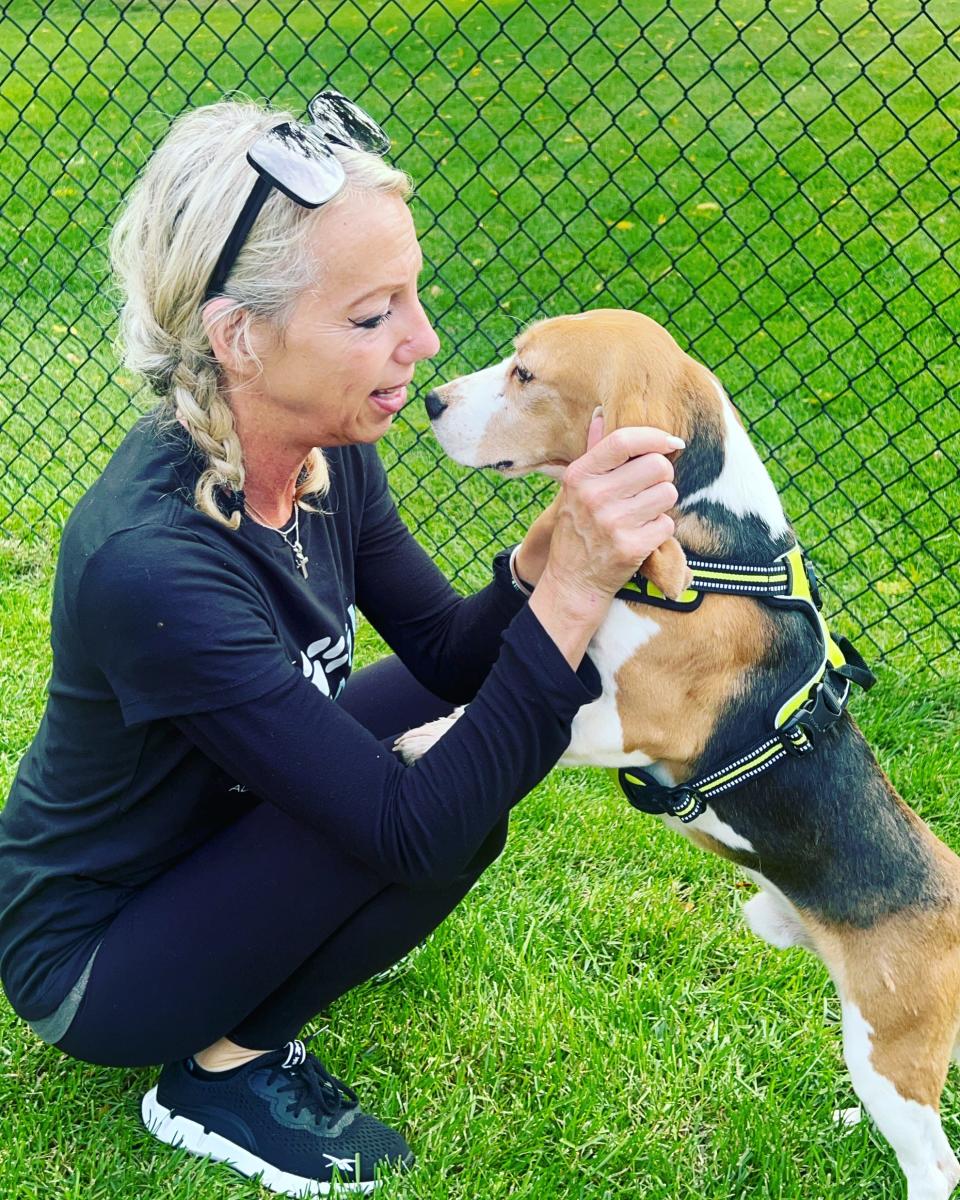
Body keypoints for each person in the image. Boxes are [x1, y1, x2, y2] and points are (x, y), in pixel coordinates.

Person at [0, 92, 680, 1195]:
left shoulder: (324, 451)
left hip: (221, 827)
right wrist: (574, 596)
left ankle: (239, 1014)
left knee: (457, 758)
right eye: (373, 317)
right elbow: (413, 831)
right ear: (240, 337)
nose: (424, 342)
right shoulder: (151, 564)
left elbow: (451, 656)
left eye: (413, 295)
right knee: (447, 804)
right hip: (95, 958)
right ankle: (218, 1076)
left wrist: (547, 551)